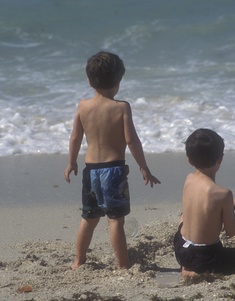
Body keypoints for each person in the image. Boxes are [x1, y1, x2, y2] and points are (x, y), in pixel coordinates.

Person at [64, 51, 160, 270]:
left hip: (90, 170)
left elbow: (75, 137)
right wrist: (144, 167)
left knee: (88, 218)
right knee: (116, 220)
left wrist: (71, 162)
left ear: (89, 81)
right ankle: (123, 265)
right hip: (113, 171)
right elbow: (132, 141)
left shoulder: (82, 106)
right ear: (118, 82)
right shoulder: (121, 107)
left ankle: (78, 260)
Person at [174, 128, 235, 277]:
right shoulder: (223, 194)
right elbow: (232, 231)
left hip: (180, 248)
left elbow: (210, 211)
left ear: (189, 160)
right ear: (220, 159)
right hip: (207, 257)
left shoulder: (189, 179)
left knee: (185, 216)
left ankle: (187, 266)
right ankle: (196, 271)